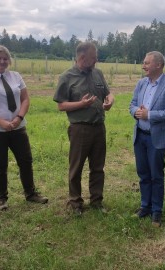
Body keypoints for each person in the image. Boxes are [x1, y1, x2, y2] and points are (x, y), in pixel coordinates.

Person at [0, 45, 48, 211]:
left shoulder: (16, 76)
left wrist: (19, 118)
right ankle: (1, 198)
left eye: (5, 58)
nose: (2, 61)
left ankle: (30, 193)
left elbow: (25, 99)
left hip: (17, 127)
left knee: (25, 161)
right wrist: (0, 122)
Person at [53, 41, 114, 216]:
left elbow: (108, 93)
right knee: (76, 167)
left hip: (99, 127)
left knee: (98, 167)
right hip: (80, 129)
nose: (97, 60)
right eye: (94, 57)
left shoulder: (98, 73)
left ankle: (96, 201)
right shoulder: (67, 77)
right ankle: (76, 202)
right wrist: (81, 104)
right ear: (82, 57)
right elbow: (61, 105)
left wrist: (110, 100)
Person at [129, 51, 165, 227]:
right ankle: (145, 206)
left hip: (157, 139)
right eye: (143, 63)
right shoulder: (141, 83)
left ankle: (157, 211)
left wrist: (149, 114)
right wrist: (136, 112)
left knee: (156, 176)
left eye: (146, 63)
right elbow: (132, 104)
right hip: (141, 137)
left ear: (158, 65)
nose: (143, 66)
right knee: (143, 174)